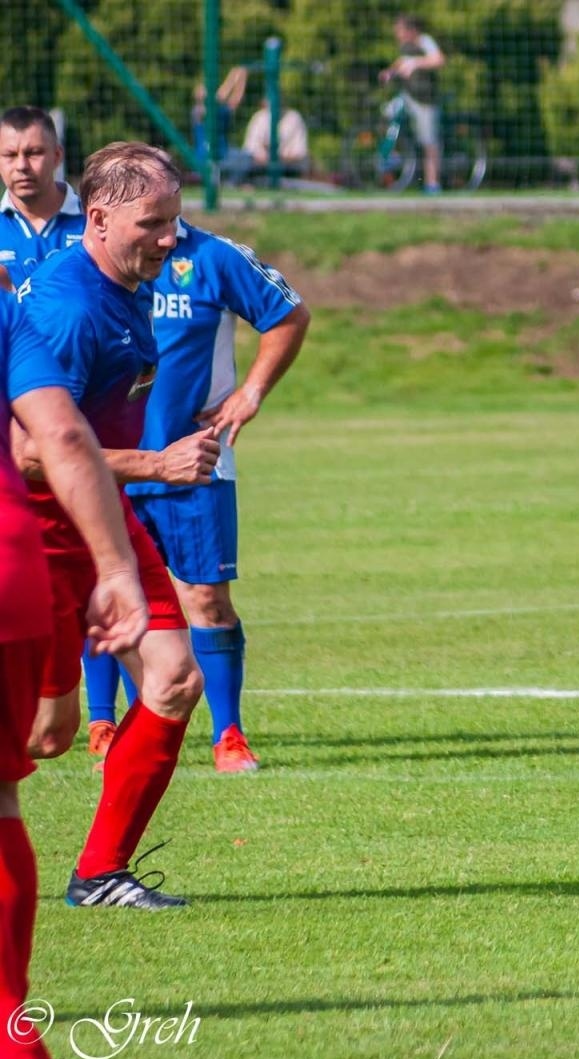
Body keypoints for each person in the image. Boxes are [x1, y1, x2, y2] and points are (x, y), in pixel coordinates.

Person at [11, 142, 212, 907]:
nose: (169, 238)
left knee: (172, 681)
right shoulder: (67, 306)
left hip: (101, 517)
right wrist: (158, 465)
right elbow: (32, 454)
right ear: (97, 218)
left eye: (174, 221)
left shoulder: (125, 281)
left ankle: (100, 874)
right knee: (43, 736)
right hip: (36, 533)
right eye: (152, 223)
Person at [80, 218, 311, 773]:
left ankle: (227, 734)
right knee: (110, 594)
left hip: (197, 463)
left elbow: (288, 314)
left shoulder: (215, 256)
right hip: (112, 465)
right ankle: (110, 725)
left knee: (206, 599)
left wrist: (250, 392)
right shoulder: (92, 261)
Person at [1, 292, 150, 1059]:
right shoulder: (7, 305)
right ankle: (11, 1031)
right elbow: (59, 433)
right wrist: (116, 566)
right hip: (11, 564)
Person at [0, 107, 85, 293]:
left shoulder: (94, 222)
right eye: (10, 155)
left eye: (33, 153)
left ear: (57, 156)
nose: (22, 165)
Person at [380, 14, 447, 195]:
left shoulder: (424, 41)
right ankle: (393, 154)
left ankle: (432, 184)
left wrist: (416, 63)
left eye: (400, 31)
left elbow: (439, 59)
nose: (398, 35)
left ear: (411, 31)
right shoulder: (406, 47)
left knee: (428, 141)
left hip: (425, 99)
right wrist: (390, 72)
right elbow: (402, 61)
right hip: (408, 95)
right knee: (388, 113)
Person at [240, 99, 311, 174]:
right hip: (259, 169)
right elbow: (249, 150)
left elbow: (299, 154)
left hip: (289, 170)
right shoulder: (259, 118)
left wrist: (276, 158)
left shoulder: (294, 118)